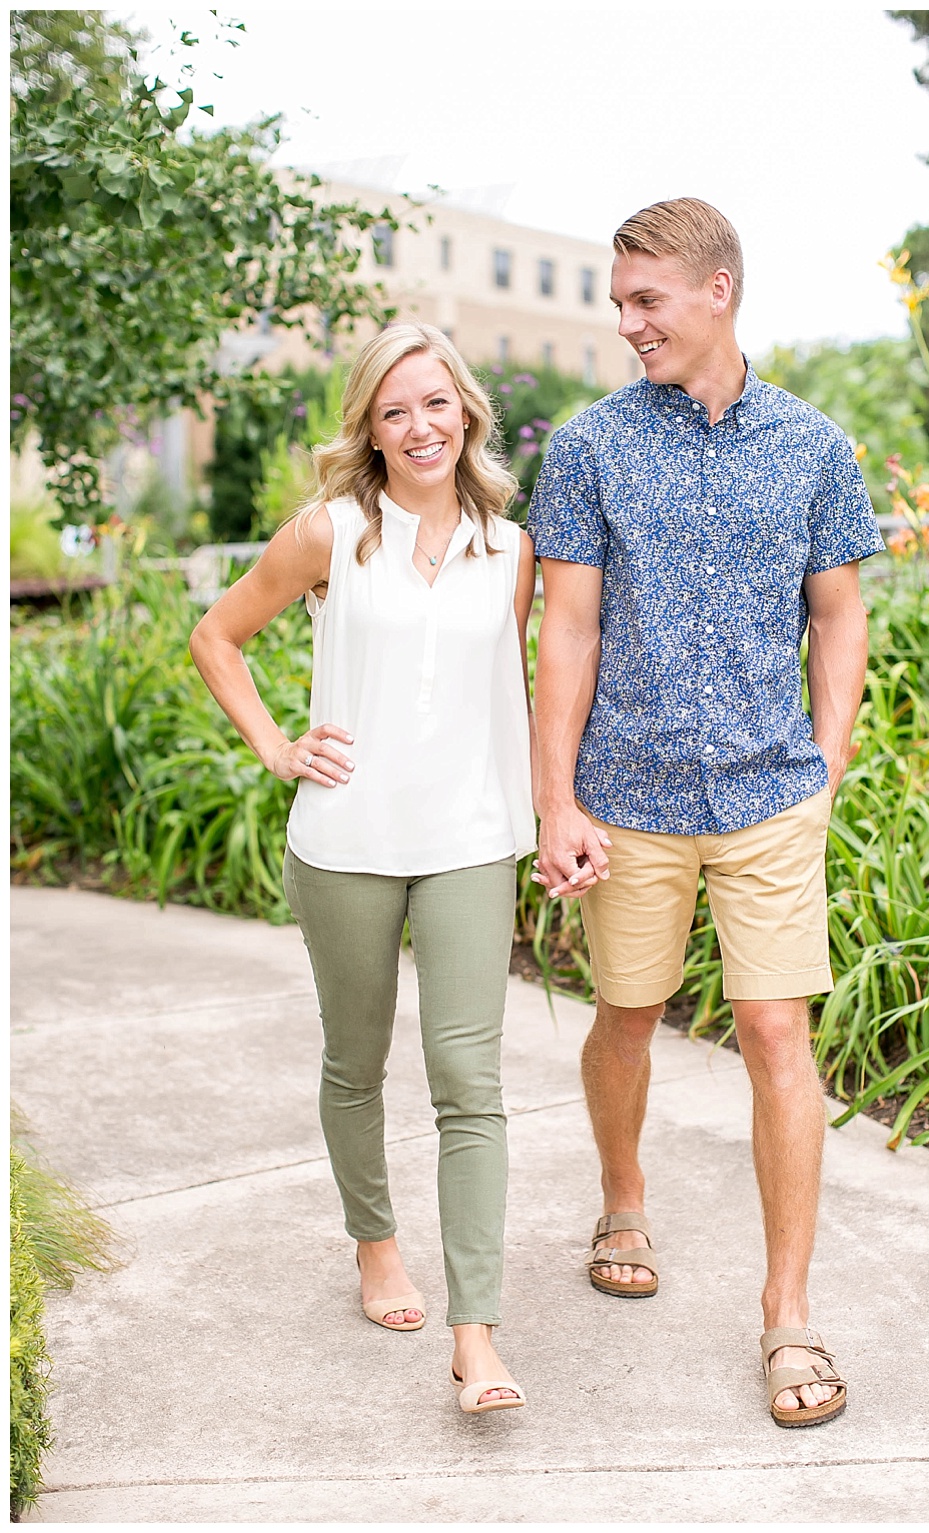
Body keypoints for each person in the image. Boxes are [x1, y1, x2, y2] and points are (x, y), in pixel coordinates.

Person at [527, 196, 881, 1428]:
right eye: (620, 304)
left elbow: (839, 614)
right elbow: (563, 628)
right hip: (626, 800)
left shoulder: (813, 447)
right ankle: (623, 1192)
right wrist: (556, 798)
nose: (627, 324)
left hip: (767, 796)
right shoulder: (586, 448)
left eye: (645, 302)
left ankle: (787, 1316)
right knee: (626, 1018)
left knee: (780, 1040)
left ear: (716, 290)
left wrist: (822, 765)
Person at [190, 322, 536, 1414]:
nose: (420, 427)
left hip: (470, 843)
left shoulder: (510, 549)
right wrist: (276, 746)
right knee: (356, 1060)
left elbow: (504, 694)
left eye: (436, 404)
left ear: (467, 411)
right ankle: (373, 1241)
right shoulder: (330, 534)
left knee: (469, 1086)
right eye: (395, 411)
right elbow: (217, 635)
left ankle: (475, 1335)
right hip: (344, 843)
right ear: (370, 429)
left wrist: (549, 816)